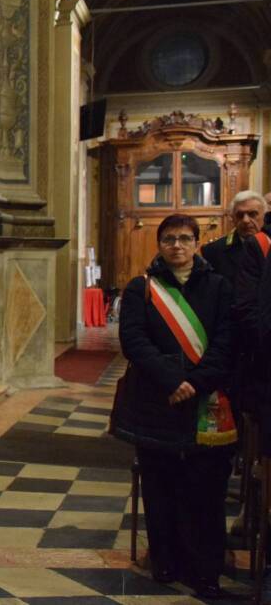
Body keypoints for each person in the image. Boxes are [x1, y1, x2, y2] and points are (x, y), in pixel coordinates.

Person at [113, 214, 234, 599]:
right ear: (159, 244)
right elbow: (134, 340)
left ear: (197, 243)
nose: (176, 246)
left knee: (206, 491)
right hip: (157, 403)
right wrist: (173, 380)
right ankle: (165, 559)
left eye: (184, 239)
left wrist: (195, 383)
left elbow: (225, 343)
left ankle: (205, 568)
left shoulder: (219, 287)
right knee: (160, 486)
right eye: (169, 239)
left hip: (206, 405)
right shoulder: (141, 289)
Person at [201, 190, 267, 282]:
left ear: (264, 216)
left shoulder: (268, 244)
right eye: (240, 215)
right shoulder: (213, 251)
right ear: (232, 218)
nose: (246, 220)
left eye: (252, 214)